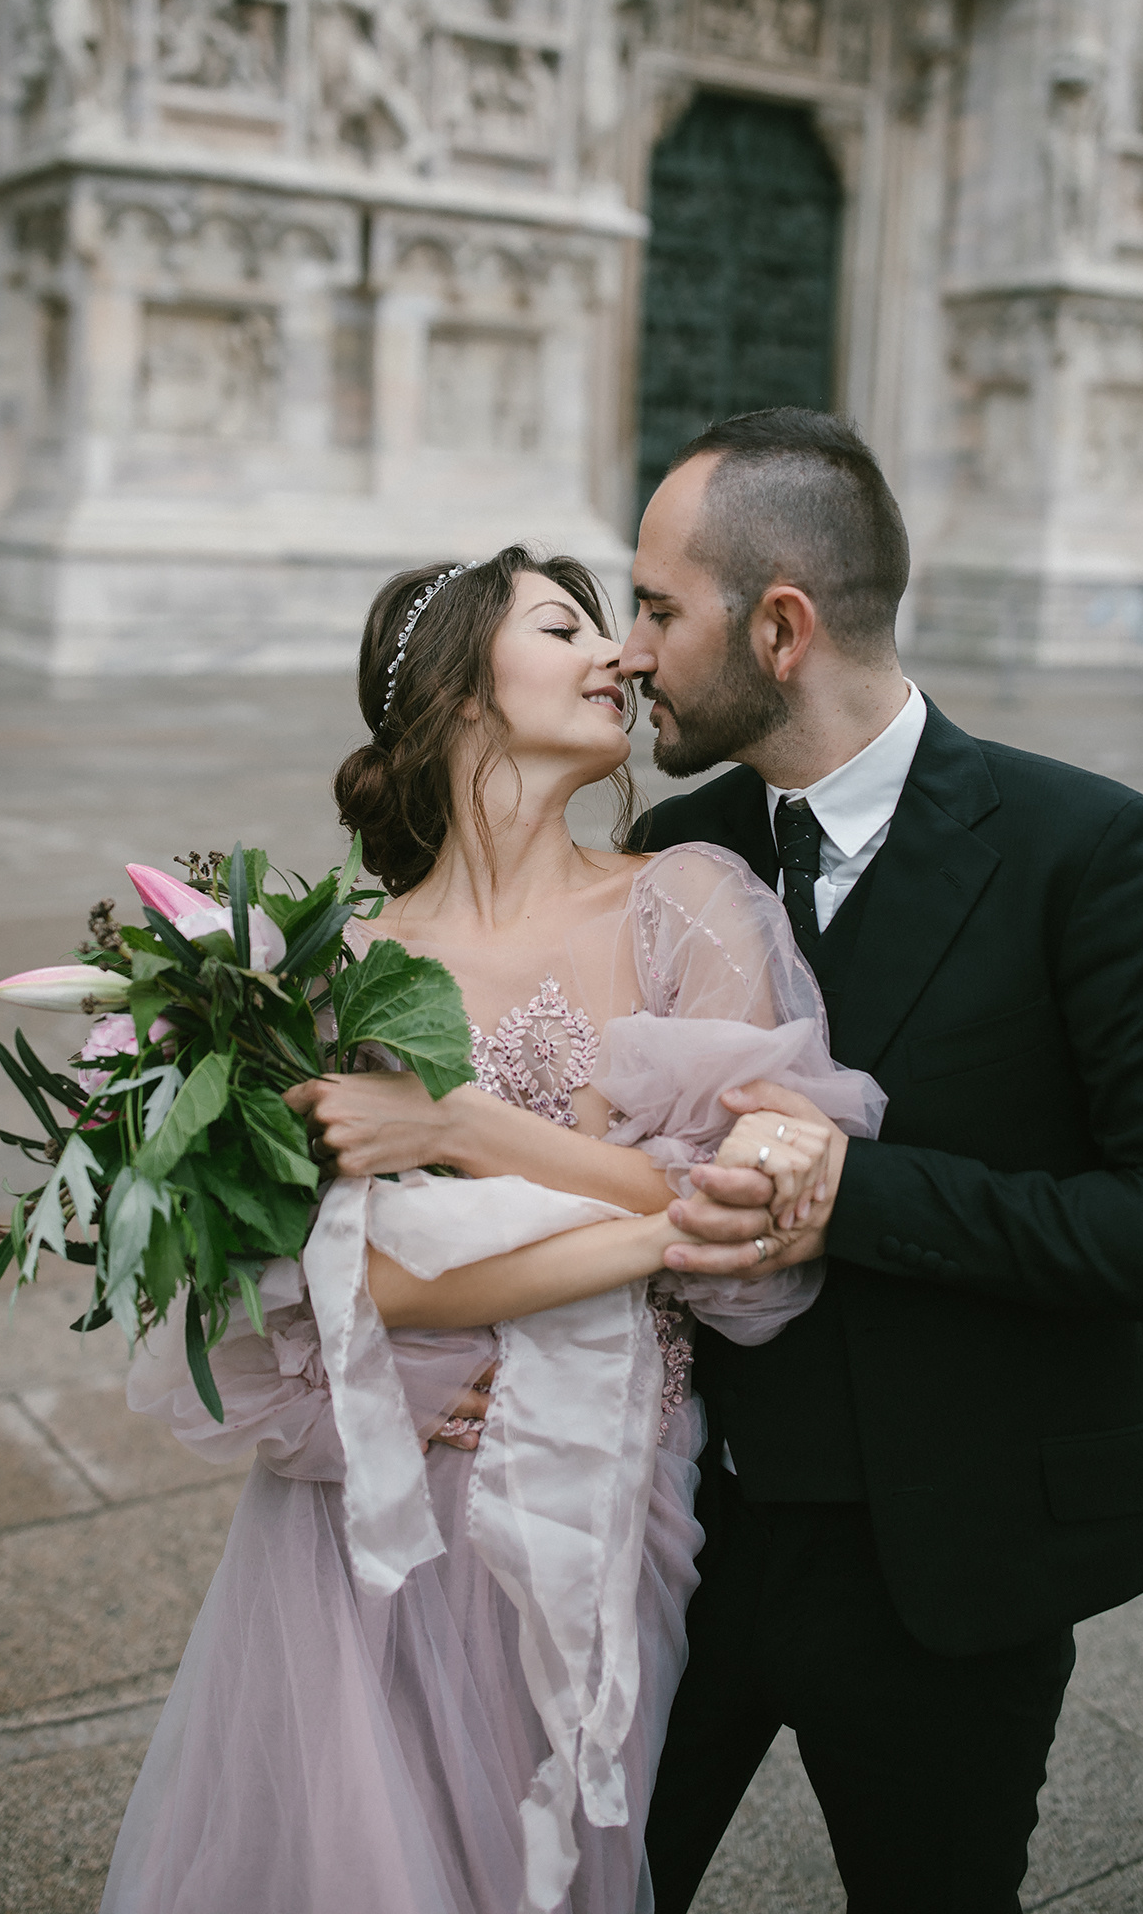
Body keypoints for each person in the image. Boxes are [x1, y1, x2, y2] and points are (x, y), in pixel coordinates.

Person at [99, 544, 882, 1914]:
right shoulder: (337, 966)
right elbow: (353, 1283)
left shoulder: (684, 900)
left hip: (603, 1477)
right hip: (377, 1484)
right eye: (569, 626)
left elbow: (762, 1231)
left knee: (545, 1858)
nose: (619, 657)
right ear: (465, 691)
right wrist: (647, 1224)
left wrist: (459, 1131)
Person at [621, 406, 1143, 1914]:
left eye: (659, 607)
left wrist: (854, 1196)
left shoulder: (1086, 849)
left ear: (779, 628)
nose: (631, 649)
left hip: (948, 1571)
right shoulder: (683, 845)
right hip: (684, 1541)